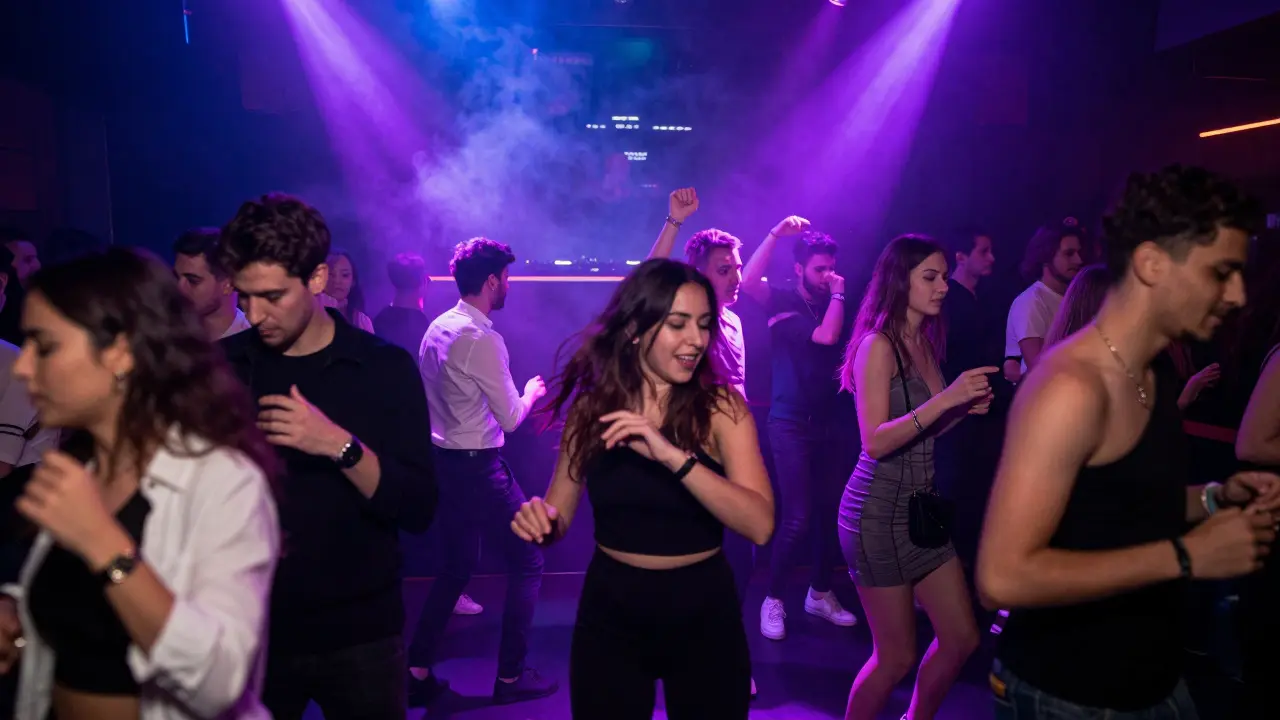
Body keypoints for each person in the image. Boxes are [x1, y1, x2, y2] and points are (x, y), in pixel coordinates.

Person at [978, 165, 1280, 719]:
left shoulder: (1153, 371)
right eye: (1222, 272)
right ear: (1151, 264)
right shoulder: (1071, 389)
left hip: (1154, 681)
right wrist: (1188, 556)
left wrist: (1216, 497)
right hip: (1069, 696)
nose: (1237, 294)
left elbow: (1123, 505)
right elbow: (1002, 577)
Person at [0, 248, 280, 720]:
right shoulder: (82, 471)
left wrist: (102, 542)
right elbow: (83, 612)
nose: (23, 368)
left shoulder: (222, 480)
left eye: (44, 347)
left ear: (121, 354)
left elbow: (220, 682)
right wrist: (17, 612)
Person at [512, 258, 775, 719]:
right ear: (635, 328)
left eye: (703, 324)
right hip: (613, 606)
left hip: (702, 607)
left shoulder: (721, 408)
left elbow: (759, 525)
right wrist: (542, 523)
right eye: (677, 324)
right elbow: (559, 513)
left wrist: (672, 455)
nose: (697, 339)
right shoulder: (593, 410)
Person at [219, 193, 439, 720]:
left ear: (317, 279)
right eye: (245, 297)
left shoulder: (382, 368)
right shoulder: (223, 368)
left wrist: (337, 445)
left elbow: (418, 507)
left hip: (361, 630)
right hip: (255, 627)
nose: (255, 314)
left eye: (272, 296)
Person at [838, 235, 989, 720]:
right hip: (876, 513)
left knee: (962, 638)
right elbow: (876, 441)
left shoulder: (923, 341)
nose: (943, 286)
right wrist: (946, 400)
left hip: (921, 509)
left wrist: (965, 408)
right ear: (899, 281)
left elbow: (931, 426)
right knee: (896, 656)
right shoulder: (876, 346)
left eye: (945, 276)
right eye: (931, 276)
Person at [407, 237, 555, 706]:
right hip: (479, 469)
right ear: (492, 282)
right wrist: (532, 390)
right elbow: (512, 418)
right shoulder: (482, 339)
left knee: (456, 567)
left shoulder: (437, 328)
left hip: (445, 464)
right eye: (507, 278)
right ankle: (511, 678)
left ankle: (416, 668)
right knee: (529, 560)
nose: (509, 285)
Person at [647, 187, 762, 696]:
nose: (736, 276)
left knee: (738, 562)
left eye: (736, 267)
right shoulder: (679, 319)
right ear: (699, 273)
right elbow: (645, 283)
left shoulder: (734, 320)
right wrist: (673, 222)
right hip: (690, 460)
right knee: (687, 564)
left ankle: (721, 655)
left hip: (731, 459)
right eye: (725, 268)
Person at [741, 223, 859, 641]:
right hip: (789, 423)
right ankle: (772, 597)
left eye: (832, 269)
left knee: (832, 513)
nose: (829, 276)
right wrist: (773, 233)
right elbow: (826, 337)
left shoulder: (834, 301)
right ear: (799, 269)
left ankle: (820, 593)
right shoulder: (784, 299)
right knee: (798, 517)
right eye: (820, 270)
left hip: (830, 422)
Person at [1003, 219, 1086, 383]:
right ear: (1046, 256)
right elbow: (1038, 368)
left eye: (1079, 253)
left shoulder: (1075, 297)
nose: (1078, 260)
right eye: (1069, 254)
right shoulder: (1030, 302)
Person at [172, 228, 252, 341]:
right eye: (176, 277)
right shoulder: (168, 336)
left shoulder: (258, 347)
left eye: (193, 281)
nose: (179, 288)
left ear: (228, 284)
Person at [320, 249, 374, 333]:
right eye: (330, 274)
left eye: (345, 275)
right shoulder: (308, 315)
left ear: (353, 281)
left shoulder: (362, 321)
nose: (337, 281)